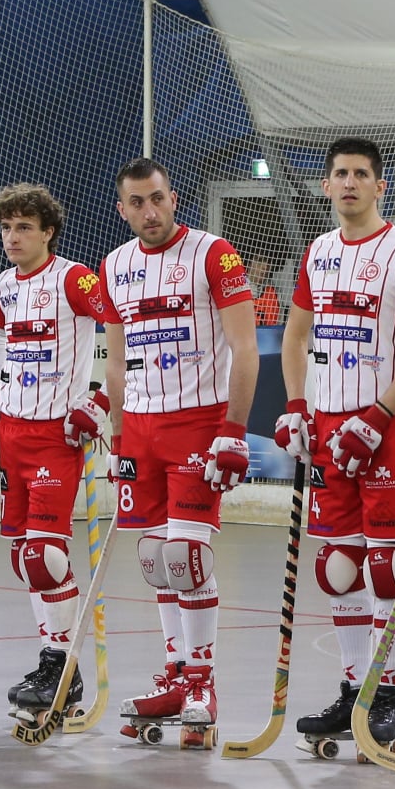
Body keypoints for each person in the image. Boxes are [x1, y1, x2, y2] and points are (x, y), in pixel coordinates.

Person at [276, 137, 395, 750]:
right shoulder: (317, 253)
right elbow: (295, 338)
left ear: (380, 186)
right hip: (329, 430)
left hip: (386, 428)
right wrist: (297, 407)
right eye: (340, 173)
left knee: (388, 569)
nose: (349, 183)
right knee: (338, 568)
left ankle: (387, 695)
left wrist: (376, 417)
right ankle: (353, 690)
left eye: (361, 174)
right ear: (326, 185)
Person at [95, 157, 258, 739]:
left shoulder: (214, 255)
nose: (150, 211)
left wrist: (233, 431)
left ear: (174, 198)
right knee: (155, 560)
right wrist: (118, 439)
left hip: (199, 424)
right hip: (140, 429)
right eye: (137, 203)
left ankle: (202, 683)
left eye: (157, 198)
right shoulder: (113, 267)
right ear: (122, 209)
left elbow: (245, 349)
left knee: (188, 558)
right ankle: (174, 674)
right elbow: (116, 363)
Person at [0, 183, 119, 720]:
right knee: (24, 556)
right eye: (6, 227)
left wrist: (99, 401)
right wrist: (3, 382)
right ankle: (51, 660)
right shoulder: (4, 283)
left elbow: (125, 328)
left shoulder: (74, 278)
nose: (12, 237)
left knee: (45, 555)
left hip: (55, 436)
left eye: (24, 227)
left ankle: (65, 668)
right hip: (11, 433)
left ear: (48, 232)